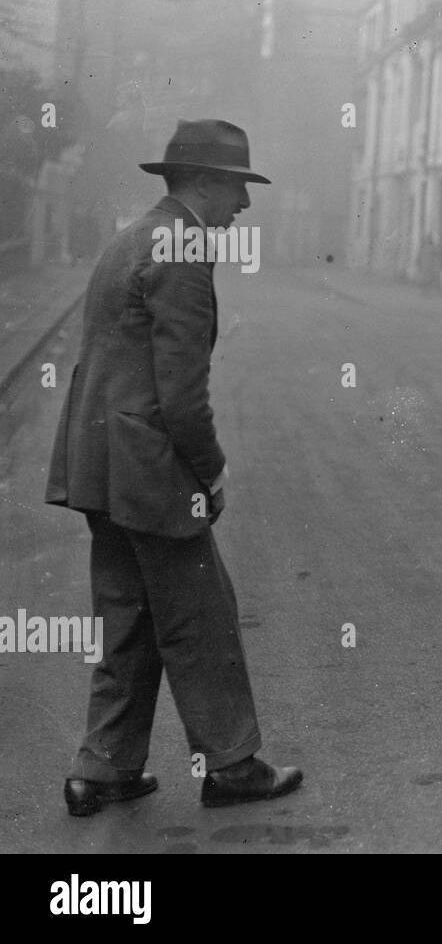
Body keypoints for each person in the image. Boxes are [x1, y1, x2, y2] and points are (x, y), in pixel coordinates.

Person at [46, 119, 303, 815]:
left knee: (127, 617)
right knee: (202, 618)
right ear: (205, 183)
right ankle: (232, 765)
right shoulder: (183, 250)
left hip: (98, 465)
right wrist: (211, 472)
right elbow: (182, 397)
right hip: (151, 470)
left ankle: (100, 772)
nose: (243, 207)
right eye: (237, 189)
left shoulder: (131, 236)